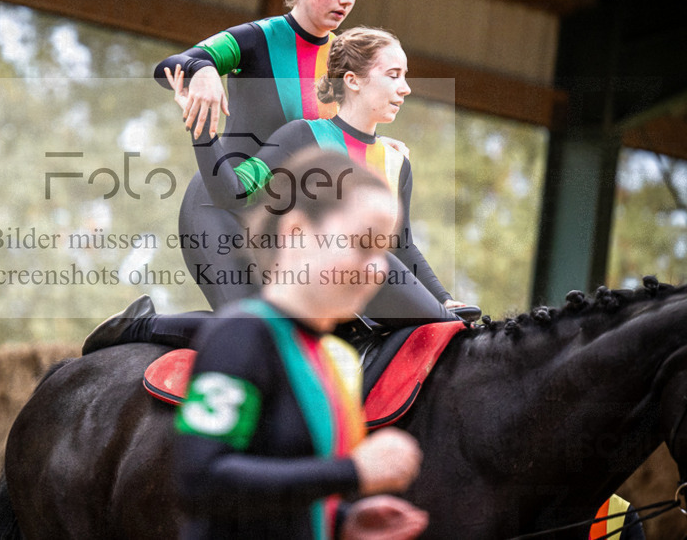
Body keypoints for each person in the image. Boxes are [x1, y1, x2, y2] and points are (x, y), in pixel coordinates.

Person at [83, 27, 475, 354]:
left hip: (348, 283)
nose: (405, 88)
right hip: (305, 273)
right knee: (266, 330)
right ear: (352, 80)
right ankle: (142, 326)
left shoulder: (398, 162)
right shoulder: (301, 136)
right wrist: (202, 127)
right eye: (393, 75)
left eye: (405, 76)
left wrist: (443, 297)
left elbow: (402, 244)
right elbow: (235, 192)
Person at [174, 147, 428, 539]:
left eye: (384, 251)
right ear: (296, 231)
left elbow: (281, 495)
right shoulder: (241, 334)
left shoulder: (337, 358)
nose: (379, 269)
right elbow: (199, 480)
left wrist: (340, 521)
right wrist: (353, 472)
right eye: (363, 244)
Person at [151, 0, 414, 308]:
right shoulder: (259, 38)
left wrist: (370, 143)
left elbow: (335, 129)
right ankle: (138, 328)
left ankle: (146, 328)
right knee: (248, 320)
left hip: (285, 221)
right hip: (223, 202)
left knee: (291, 324)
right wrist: (203, 70)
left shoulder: (343, 57)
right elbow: (168, 68)